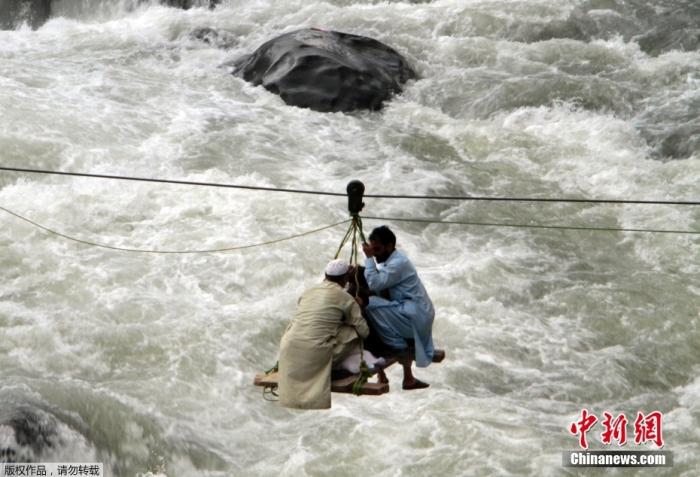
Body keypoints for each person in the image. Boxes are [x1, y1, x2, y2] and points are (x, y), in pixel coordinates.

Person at [278, 259, 369, 409]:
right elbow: (364, 331)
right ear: (346, 278)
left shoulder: (308, 293)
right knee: (353, 331)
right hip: (314, 355)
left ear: (326, 275)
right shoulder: (346, 298)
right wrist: (360, 307)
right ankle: (333, 367)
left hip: (288, 349)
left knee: (303, 326)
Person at [362, 225, 435, 390]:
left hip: (416, 317)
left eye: (377, 249)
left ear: (390, 246)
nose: (374, 253)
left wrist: (368, 259)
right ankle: (408, 378)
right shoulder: (392, 260)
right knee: (379, 302)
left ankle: (396, 345)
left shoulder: (398, 263)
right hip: (415, 313)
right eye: (372, 250)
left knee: (370, 305)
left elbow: (375, 282)